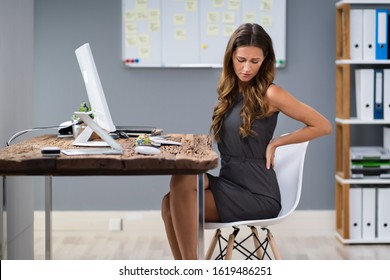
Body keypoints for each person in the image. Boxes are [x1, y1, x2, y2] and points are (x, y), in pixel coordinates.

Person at [161, 23, 332, 260]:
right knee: (175, 189)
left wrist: (277, 143)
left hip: (258, 195)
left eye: (255, 61)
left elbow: (323, 125)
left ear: (265, 61)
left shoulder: (271, 94)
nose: (246, 68)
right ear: (231, 56)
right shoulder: (229, 93)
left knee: (174, 198)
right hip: (230, 184)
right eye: (241, 59)